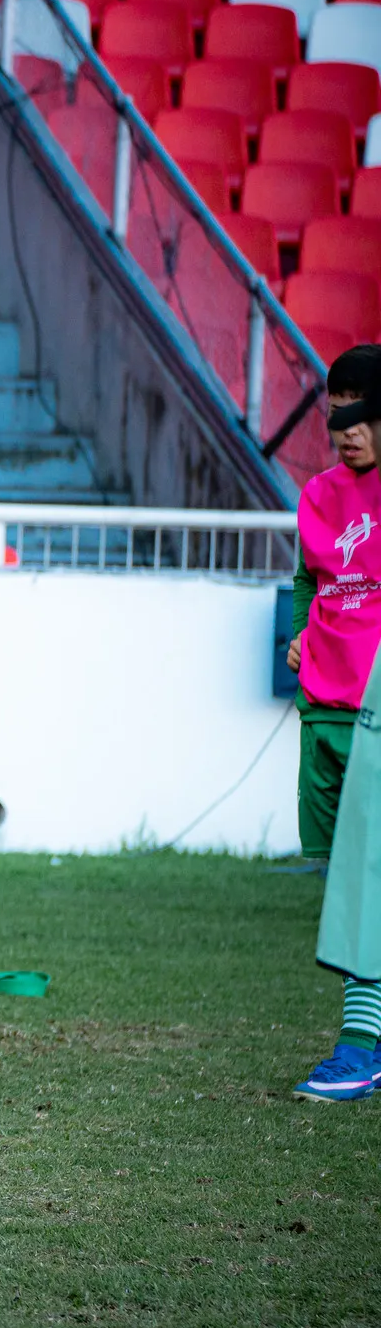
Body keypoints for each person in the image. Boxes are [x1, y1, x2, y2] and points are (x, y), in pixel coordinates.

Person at [291, 343, 381, 1101]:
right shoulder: (318, 496)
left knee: (365, 882)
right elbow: (306, 580)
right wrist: (299, 635)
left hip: (377, 716)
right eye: (337, 414)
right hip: (323, 713)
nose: (347, 429)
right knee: (338, 878)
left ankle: (358, 1048)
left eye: (363, 415)